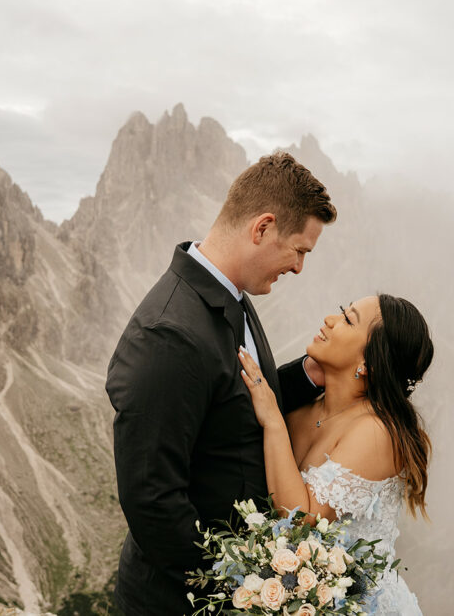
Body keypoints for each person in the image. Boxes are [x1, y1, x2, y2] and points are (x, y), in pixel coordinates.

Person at [105, 151, 337, 616]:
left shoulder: (229, 295)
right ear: (262, 228)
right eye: (300, 249)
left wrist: (312, 375)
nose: (298, 268)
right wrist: (237, 591)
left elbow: (240, 400)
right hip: (177, 602)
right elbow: (152, 500)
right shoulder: (168, 335)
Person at [238, 294, 433, 615]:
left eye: (348, 319)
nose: (330, 319)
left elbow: (302, 522)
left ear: (368, 363)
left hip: (362, 607)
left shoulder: (377, 431)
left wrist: (272, 420)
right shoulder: (301, 413)